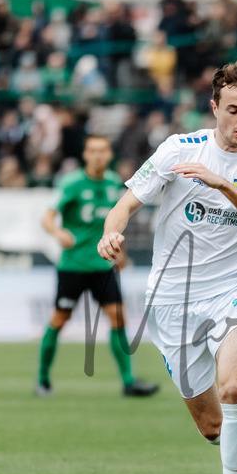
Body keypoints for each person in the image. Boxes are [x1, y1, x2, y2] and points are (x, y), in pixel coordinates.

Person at [97, 61, 237, 474]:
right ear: (214, 106)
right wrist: (111, 233)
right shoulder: (179, 150)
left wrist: (224, 186)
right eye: (234, 110)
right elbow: (126, 203)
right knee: (212, 424)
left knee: (235, 388)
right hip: (171, 302)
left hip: (235, 294)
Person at [36, 134, 160, 400]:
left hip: (103, 266)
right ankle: (43, 380)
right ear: (85, 154)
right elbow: (47, 218)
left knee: (118, 317)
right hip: (74, 266)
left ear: (109, 154)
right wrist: (57, 232)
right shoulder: (71, 183)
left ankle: (128, 381)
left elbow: (118, 220)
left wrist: (121, 252)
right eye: (93, 150)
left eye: (103, 150)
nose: (98, 155)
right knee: (59, 320)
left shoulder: (115, 182)